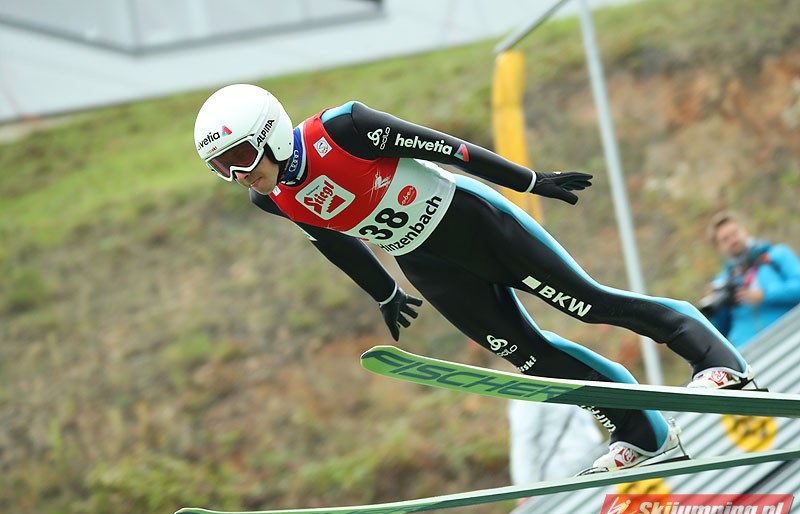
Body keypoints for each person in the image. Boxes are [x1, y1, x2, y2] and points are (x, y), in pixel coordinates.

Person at [193, 84, 755, 472]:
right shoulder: (271, 198)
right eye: (221, 167)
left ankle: (717, 361)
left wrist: (529, 181)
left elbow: (450, 148)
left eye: (240, 156)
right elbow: (333, 241)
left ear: (269, 132)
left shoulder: (344, 128)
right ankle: (641, 432)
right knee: (528, 357)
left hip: (474, 222)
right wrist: (384, 292)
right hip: (425, 263)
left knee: (588, 304)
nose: (237, 174)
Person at [700, 211, 800, 349]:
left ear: (744, 230)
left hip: (791, 337)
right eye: (725, 239)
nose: (733, 240)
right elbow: (718, 333)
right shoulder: (722, 282)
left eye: (735, 233)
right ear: (719, 247)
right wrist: (715, 309)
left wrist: (764, 295)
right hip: (750, 353)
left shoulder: (776, 255)